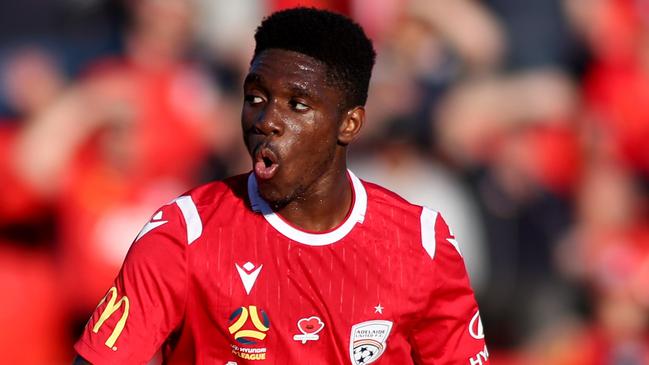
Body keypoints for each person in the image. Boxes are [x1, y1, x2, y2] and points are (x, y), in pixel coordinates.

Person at [72, 7, 489, 365]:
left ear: (349, 124)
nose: (265, 120)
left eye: (298, 104)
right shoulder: (184, 233)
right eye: (256, 97)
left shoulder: (419, 243)